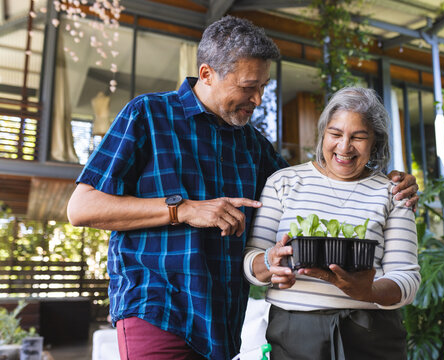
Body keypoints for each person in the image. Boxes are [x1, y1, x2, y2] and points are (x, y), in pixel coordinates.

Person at [67, 16, 419, 360]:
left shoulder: (254, 145)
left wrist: (388, 181)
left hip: (221, 318)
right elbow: (82, 208)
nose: (258, 98)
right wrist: (185, 209)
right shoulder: (148, 115)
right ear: (207, 74)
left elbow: (318, 188)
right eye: (249, 86)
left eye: (263, 86)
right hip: (158, 307)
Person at [243, 87, 420, 360]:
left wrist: (367, 291)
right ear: (323, 133)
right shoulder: (283, 182)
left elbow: (406, 277)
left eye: (359, 137)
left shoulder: (393, 192)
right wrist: (269, 262)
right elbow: (251, 261)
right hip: (294, 332)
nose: (344, 146)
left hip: (371, 333)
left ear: (375, 142)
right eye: (335, 134)